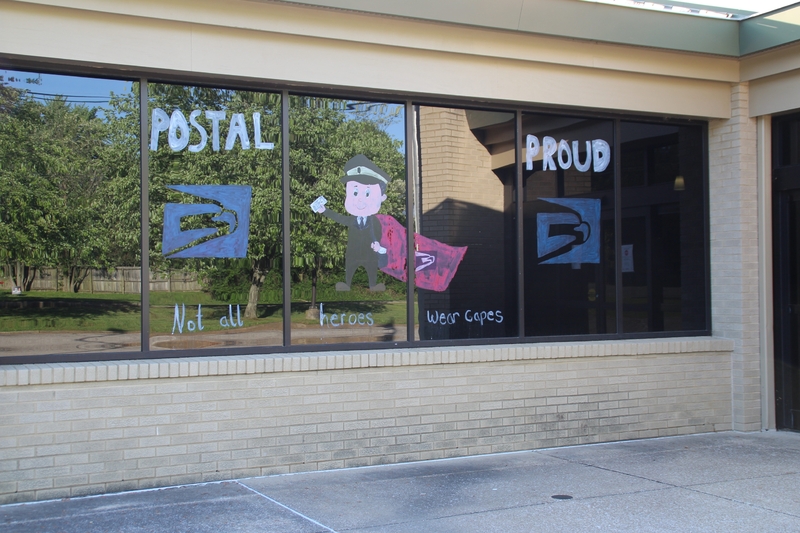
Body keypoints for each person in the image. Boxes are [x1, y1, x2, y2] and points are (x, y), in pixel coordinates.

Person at [314, 154, 390, 291]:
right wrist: (324, 211)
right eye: (355, 193)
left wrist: (378, 244)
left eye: (367, 194)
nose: (360, 200)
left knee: (371, 267)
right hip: (353, 254)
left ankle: (373, 285)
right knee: (350, 266)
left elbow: (380, 233)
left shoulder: (374, 222)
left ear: (382, 197)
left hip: (369, 254)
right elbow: (339, 218)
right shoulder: (352, 220)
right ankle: (347, 283)